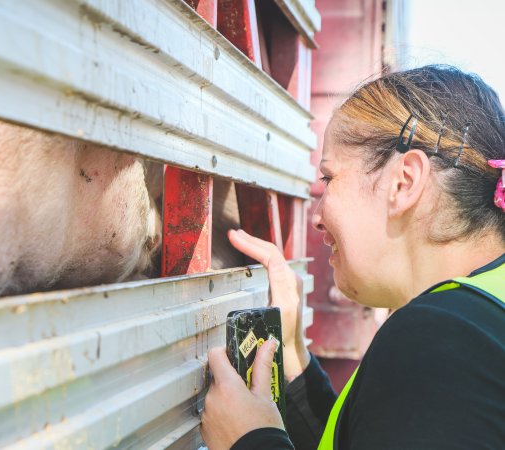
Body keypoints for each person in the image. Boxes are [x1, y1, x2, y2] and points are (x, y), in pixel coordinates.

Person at [201, 65, 505, 450]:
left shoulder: (440, 341)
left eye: (328, 179)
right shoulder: (478, 316)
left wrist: (250, 441)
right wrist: (293, 359)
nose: (316, 216)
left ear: (404, 182)